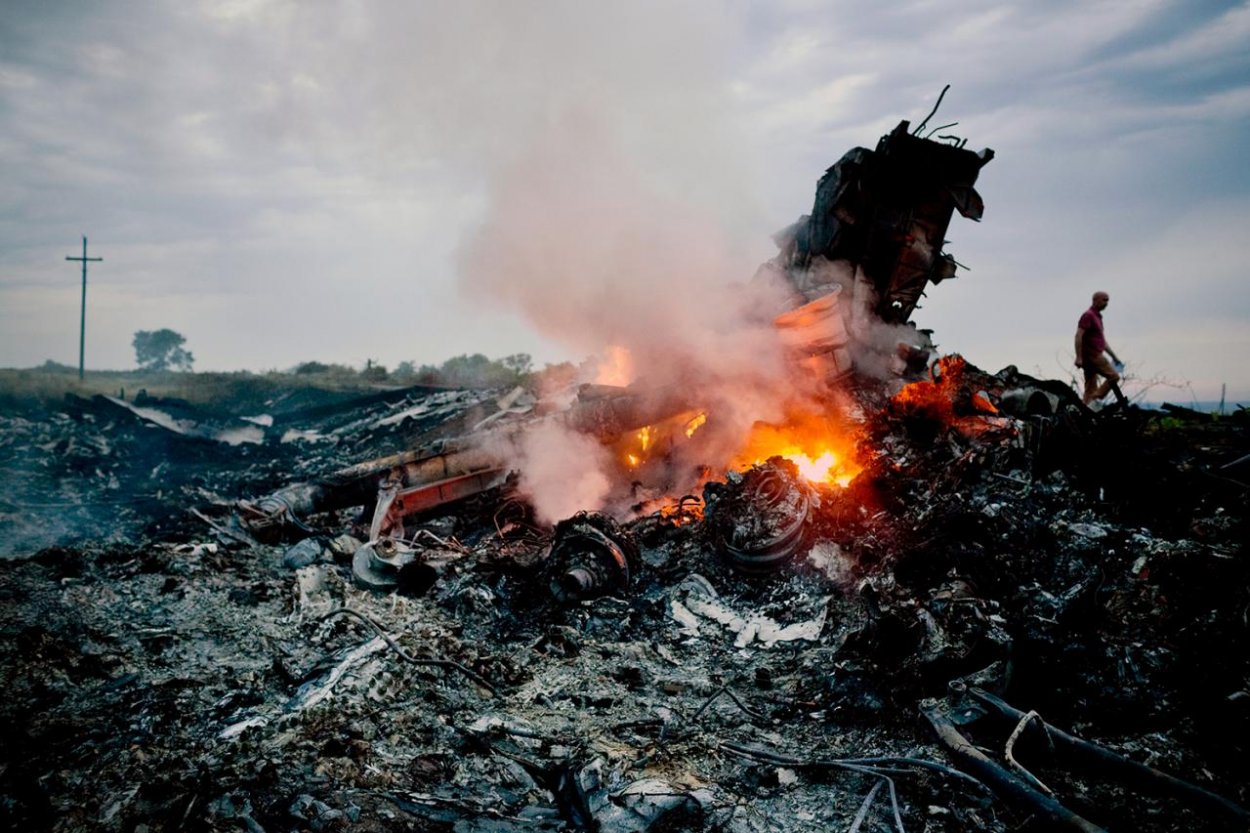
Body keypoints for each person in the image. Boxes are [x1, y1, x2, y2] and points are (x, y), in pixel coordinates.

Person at [1074, 291, 1123, 406]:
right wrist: (1078, 357)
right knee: (1114, 376)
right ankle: (1096, 397)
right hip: (1093, 355)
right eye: (1104, 300)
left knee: (1090, 387)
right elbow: (1078, 335)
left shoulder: (1097, 317)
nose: (1106, 303)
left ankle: (1085, 411)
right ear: (1095, 300)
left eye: (1108, 300)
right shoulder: (1088, 315)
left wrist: (1114, 357)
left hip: (1094, 354)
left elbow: (1103, 342)